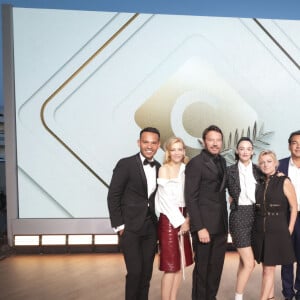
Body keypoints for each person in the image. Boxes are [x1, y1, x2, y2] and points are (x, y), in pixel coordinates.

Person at [107, 127, 161, 300]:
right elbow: (113, 195)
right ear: (139, 143)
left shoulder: (159, 167)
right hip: (130, 228)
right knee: (135, 273)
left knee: (146, 275)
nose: (149, 146)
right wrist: (119, 225)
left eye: (153, 143)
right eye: (146, 142)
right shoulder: (126, 164)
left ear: (158, 145)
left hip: (151, 228)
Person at [185, 125, 228, 300]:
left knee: (216, 269)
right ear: (204, 142)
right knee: (202, 270)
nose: (215, 143)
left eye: (218, 140)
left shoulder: (223, 161)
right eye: (211, 140)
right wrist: (200, 227)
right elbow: (191, 198)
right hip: (204, 226)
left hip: (221, 225)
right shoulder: (195, 164)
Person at [253, 150, 297, 300]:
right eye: (262, 162)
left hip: (277, 230)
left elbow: (294, 207)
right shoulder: (259, 182)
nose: (265, 164)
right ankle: (270, 296)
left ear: (275, 163)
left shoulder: (284, 181)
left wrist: (289, 229)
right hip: (261, 231)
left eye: (269, 161)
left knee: (269, 269)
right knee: (266, 267)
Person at [155, 137, 193, 300]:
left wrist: (189, 219)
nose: (177, 152)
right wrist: (181, 221)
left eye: (180, 149)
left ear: (184, 151)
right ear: (168, 152)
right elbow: (165, 200)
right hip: (169, 219)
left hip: (185, 217)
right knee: (170, 267)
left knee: (180, 265)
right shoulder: (164, 169)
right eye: (173, 149)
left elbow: (192, 196)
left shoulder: (187, 169)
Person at [227, 137, 262, 300]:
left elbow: (269, 186)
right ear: (237, 151)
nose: (245, 151)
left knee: (244, 261)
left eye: (248, 148)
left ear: (253, 151)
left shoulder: (258, 170)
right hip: (238, 216)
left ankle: (237, 295)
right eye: (242, 148)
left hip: (255, 216)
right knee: (250, 263)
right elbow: (215, 189)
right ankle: (238, 298)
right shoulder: (230, 171)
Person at [279, 130, 300, 300]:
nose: (298, 146)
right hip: (286, 216)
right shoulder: (280, 165)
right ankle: (287, 293)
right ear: (289, 145)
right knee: (286, 255)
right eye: (294, 142)